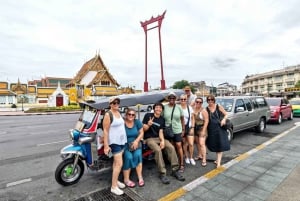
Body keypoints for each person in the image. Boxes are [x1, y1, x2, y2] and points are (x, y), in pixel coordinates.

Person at [142, 102, 185, 184]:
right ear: (154, 108)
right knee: (158, 150)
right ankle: (162, 173)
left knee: (171, 147)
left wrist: (162, 141)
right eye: (157, 107)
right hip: (149, 138)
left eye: (160, 108)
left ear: (162, 110)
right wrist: (148, 124)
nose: (158, 109)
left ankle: (175, 170)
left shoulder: (162, 119)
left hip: (159, 137)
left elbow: (161, 131)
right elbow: (143, 129)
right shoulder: (148, 115)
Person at [103, 96, 127, 195]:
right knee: (119, 164)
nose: (116, 104)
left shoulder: (118, 112)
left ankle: (115, 180)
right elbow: (105, 130)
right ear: (110, 104)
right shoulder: (108, 114)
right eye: (114, 103)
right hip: (114, 143)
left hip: (122, 141)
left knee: (115, 164)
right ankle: (113, 187)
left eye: (117, 102)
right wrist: (106, 145)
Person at [163, 92, 185, 173]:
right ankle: (173, 162)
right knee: (171, 147)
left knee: (179, 146)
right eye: (170, 98)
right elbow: (161, 118)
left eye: (173, 98)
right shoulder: (164, 107)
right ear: (168, 99)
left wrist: (183, 129)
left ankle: (182, 163)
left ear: (175, 99)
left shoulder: (178, 107)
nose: (172, 99)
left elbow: (182, 119)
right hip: (168, 130)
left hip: (177, 129)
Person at [205, 94, 230, 168]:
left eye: (211, 100)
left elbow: (226, 114)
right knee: (215, 145)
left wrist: (224, 119)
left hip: (220, 128)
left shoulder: (218, 106)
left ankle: (218, 162)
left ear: (214, 100)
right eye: (208, 100)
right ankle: (217, 160)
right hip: (211, 130)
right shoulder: (206, 109)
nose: (210, 101)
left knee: (220, 145)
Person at [123, 109, 144, 188]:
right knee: (128, 157)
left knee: (138, 155)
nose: (131, 116)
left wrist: (136, 141)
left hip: (136, 143)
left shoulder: (137, 122)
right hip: (125, 144)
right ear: (126, 114)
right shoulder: (122, 123)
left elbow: (142, 132)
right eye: (129, 114)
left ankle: (140, 177)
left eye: (133, 115)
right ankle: (126, 179)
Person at [179, 94, 196, 166]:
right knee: (184, 143)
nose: (183, 100)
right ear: (180, 100)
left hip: (189, 127)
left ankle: (191, 157)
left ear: (186, 100)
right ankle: (186, 157)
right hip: (181, 128)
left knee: (191, 144)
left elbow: (192, 118)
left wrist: (192, 127)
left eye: (184, 99)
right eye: (181, 99)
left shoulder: (189, 108)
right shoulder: (178, 108)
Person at [193, 97, 209, 167]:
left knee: (202, 144)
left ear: (202, 103)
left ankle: (204, 159)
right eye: (197, 102)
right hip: (195, 128)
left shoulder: (203, 110)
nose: (198, 103)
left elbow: (206, 121)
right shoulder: (193, 109)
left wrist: (203, 131)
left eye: (200, 102)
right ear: (195, 102)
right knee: (197, 143)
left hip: (202, 128)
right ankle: (200, 155)